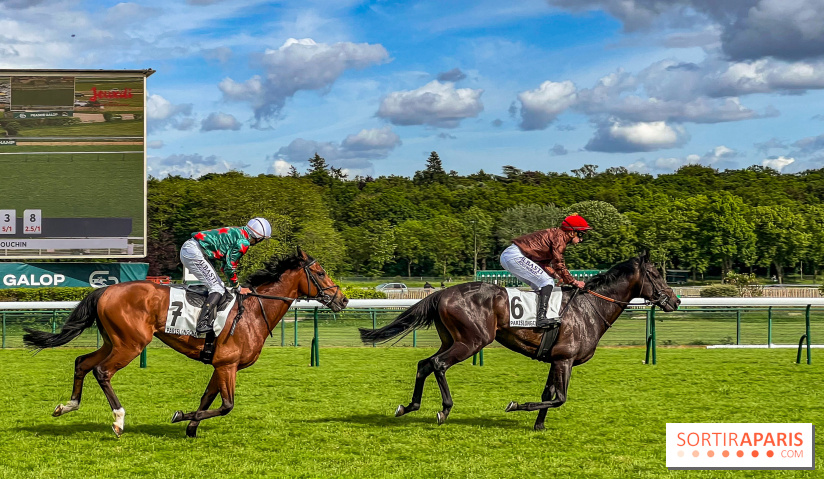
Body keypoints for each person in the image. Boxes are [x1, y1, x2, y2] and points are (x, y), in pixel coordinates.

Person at [179, 217, 272, 334]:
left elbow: (225, 265)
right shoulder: (243, 242)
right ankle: (202, 323)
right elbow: (229, 268)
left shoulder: (240, 232)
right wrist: (238, 287)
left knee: (220, 286)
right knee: (217, 288)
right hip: (194, 252)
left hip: (193, 248)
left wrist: (231, 278)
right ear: (258, 238)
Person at [499, 214, 591, 329]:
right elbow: (559, 263)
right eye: (580, 234)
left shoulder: (557, 236)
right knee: (547, 282)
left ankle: (532, 317)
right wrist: (574, 282)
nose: (581, 239)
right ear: (572, 232)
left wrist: (558, 277)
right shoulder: (560, 238)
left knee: (540, 285)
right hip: (514, 256)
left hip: (510, 256)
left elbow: (544, 264)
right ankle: (541, 318)